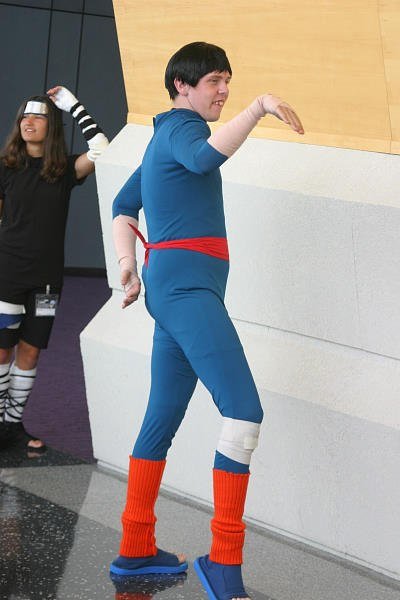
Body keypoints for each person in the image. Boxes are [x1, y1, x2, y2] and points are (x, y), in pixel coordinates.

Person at [111, 41, 304, 600]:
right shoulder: (181, 128)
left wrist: (127, 266)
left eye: (228, 81)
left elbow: (123, 204)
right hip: (188, 292)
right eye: (215, 81)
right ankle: (223, 561)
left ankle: (135, 546)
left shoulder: (161, 137)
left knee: (160, 419)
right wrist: (259, 106)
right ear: (182, 85)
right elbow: (204, 159)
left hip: (175, 290)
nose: (224, 91)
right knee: (243, 412)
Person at [0, 86, 108, 453]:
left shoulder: (63, 170)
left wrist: (75, 106)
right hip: (7, 276)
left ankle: (12, 427)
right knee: (2, 352)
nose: (29, 122)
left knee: (30, 352)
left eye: (39, 116)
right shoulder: (5, 166)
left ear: (53, 126)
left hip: (46, 282)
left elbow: (102, 149)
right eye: (25, 116)